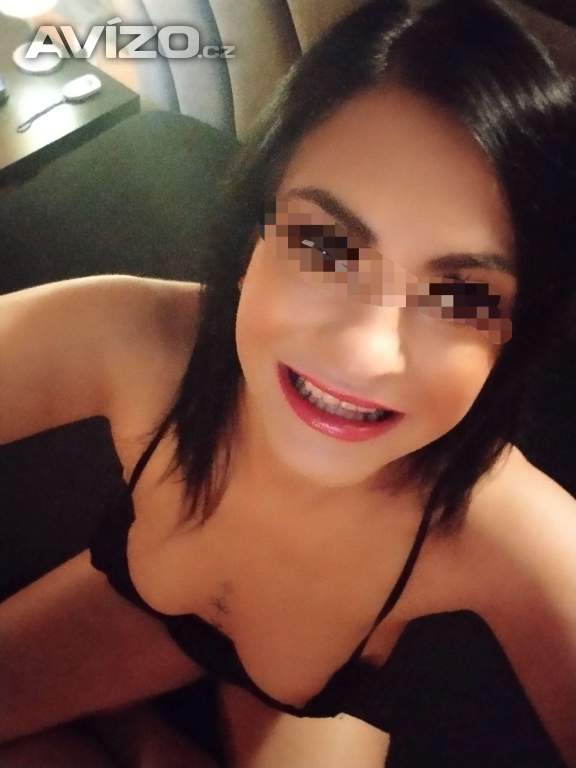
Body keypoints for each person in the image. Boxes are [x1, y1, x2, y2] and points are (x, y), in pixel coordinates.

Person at [1, 0, 575, 765]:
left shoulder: (496, 523)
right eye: (326, 246)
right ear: (252, 234)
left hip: (300, 698)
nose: (367, 353)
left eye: (462, 296)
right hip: (137, 607)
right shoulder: (134, 344)